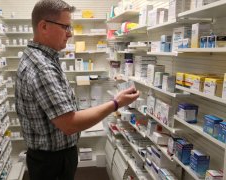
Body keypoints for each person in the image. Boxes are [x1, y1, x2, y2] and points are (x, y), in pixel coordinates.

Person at [15, 0, 140, 180]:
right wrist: (116, 103)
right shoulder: (41, 67)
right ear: (44, 26)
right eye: (65, 27)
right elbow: (70, 124)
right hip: (52, 163)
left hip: (49, 159)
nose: (70, 33)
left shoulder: (41, 58)